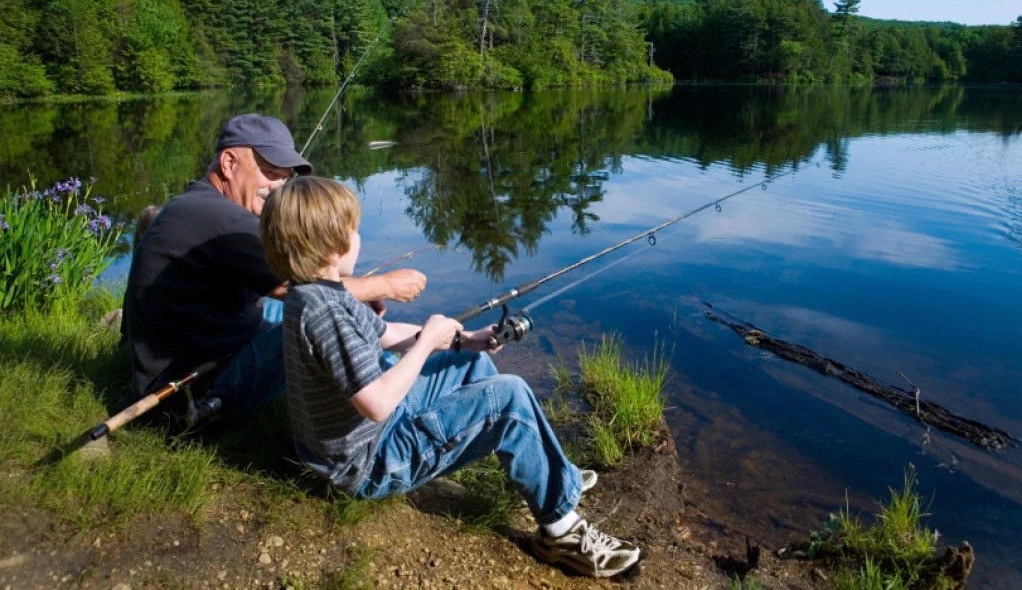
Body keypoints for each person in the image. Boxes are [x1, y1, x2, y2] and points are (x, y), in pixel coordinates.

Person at [259, 176, 643, 579]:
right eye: (354, 230)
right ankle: (561, 534)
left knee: (471, 366)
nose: (359, 236)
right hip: (369, 462)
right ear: (336, 246)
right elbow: (376, 404)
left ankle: (551, 473)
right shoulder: (326, 310)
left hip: (355, 444)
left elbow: (387, 335)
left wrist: (466, 340)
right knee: (508, 398)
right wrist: (426, 343)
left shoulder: (318, 293)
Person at [120, 113, 426, 426]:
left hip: (193, 358)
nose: (278, 188)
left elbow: (304, 285)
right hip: (189, 395)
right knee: (320, 323)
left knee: (321, 315)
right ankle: (398, 405)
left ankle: (395, 365)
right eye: (269, 173)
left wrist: (353, 298)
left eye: (284, 177)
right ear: (229, 163)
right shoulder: (227, 221)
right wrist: (384, 286)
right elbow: (307, 293)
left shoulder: (199, 202)